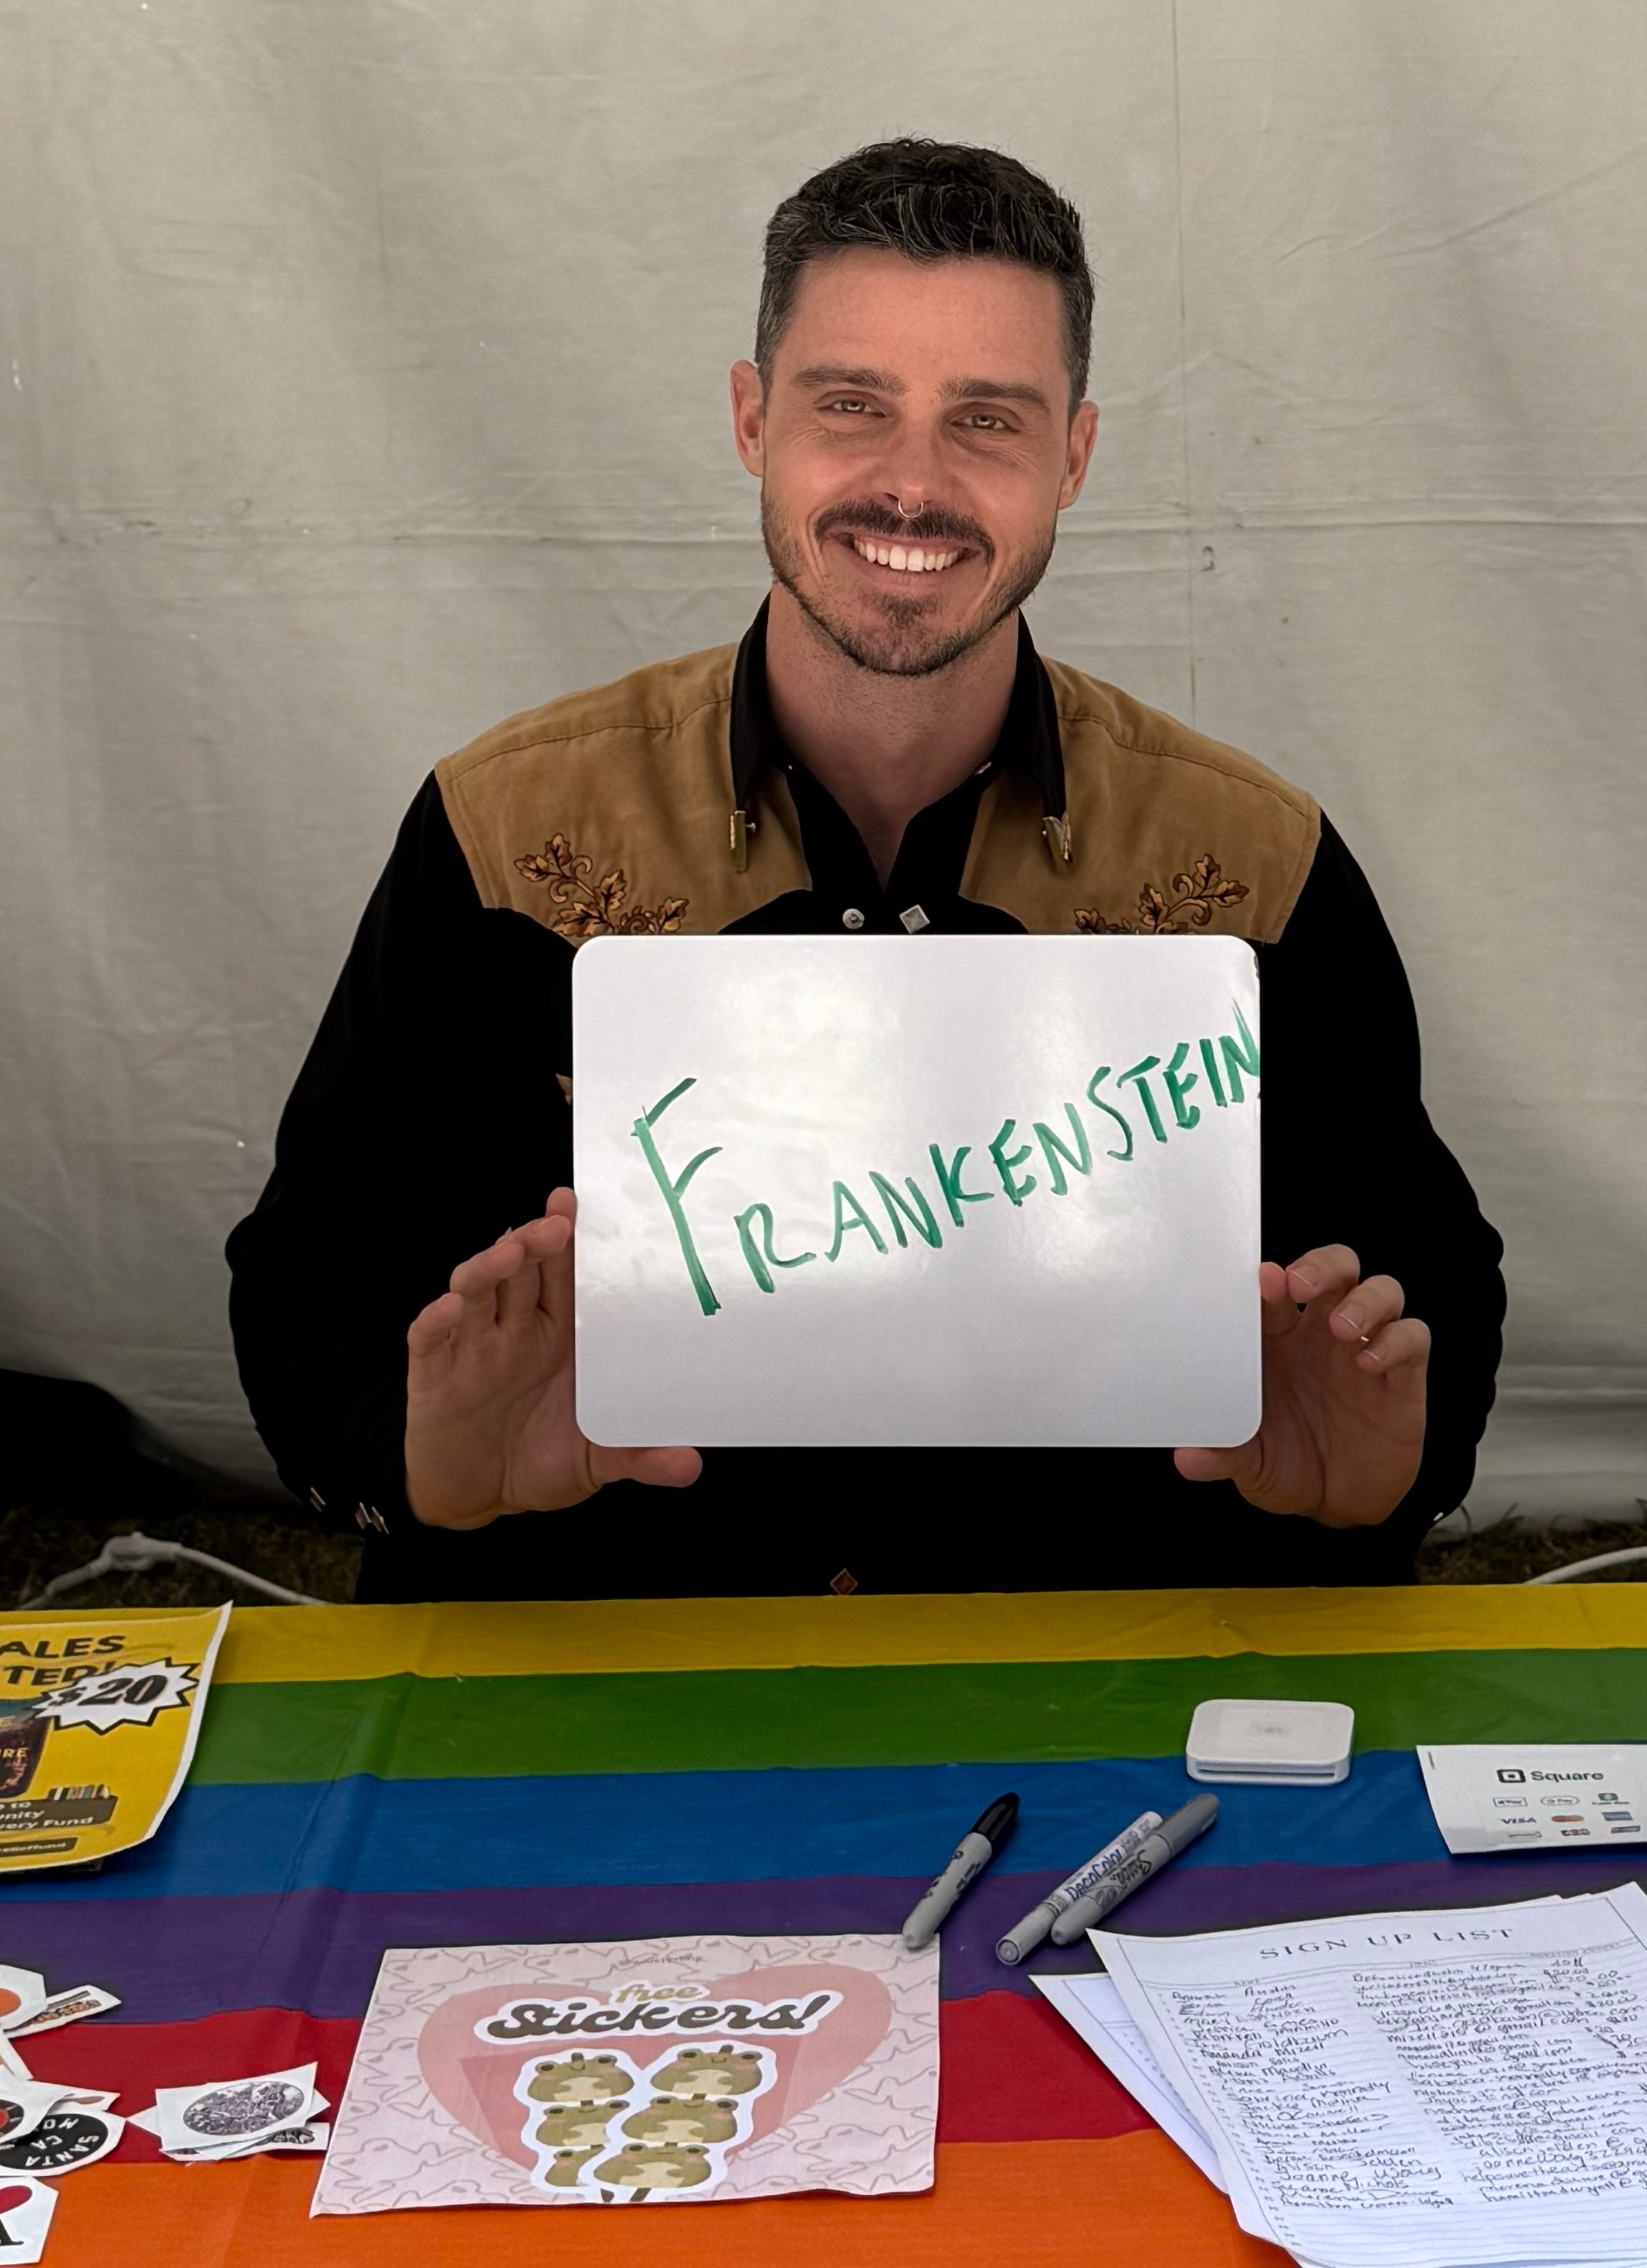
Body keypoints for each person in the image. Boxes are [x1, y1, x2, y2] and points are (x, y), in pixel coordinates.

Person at [227, 139, 1504, 1602]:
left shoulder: (1251, 863)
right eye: (852, 406)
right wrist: (417, 1470)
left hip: (1099, 1681)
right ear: (751, 418)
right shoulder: (504, 832)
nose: (912, 484)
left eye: (987, 421)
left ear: (1074, 458)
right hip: (597, 1670)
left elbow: (1424, 1299)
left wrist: (1380, 1484)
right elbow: (309, 1279)